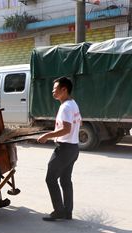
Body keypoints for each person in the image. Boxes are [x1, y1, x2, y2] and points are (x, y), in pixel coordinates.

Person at [37, 76, 82, 221]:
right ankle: (67, 212)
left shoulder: (65, 107)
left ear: (64, 89)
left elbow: (66, 129)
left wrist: (47, 135)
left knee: (50, 179)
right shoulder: (73, 104)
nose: (53, 91)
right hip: (73, 148)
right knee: (65, 180)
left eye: (55, 89)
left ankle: (58, 211)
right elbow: (76, 125)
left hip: (64, 149)